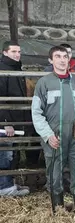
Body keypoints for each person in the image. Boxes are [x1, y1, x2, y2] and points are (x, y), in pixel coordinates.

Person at [31, 46, 75, 219]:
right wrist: (47, 135)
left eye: (64, 56)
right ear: (51, 60)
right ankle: (57, 212)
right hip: (54, 136)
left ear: (69, 59)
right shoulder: (44, 83)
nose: (62, 59)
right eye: (57, 56)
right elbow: (36, 112)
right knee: (55, 175)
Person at [0, 41, 30, 196]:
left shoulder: (15, 68)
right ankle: (4, 187)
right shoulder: (2, 70)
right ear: (5, 53)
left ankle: (8, 183)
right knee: (5, 154)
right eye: (13, 51)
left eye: (19, 51)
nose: (17, 54)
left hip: (15, 120)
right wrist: (6, 123)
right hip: (6, 122)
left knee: (11, 153)